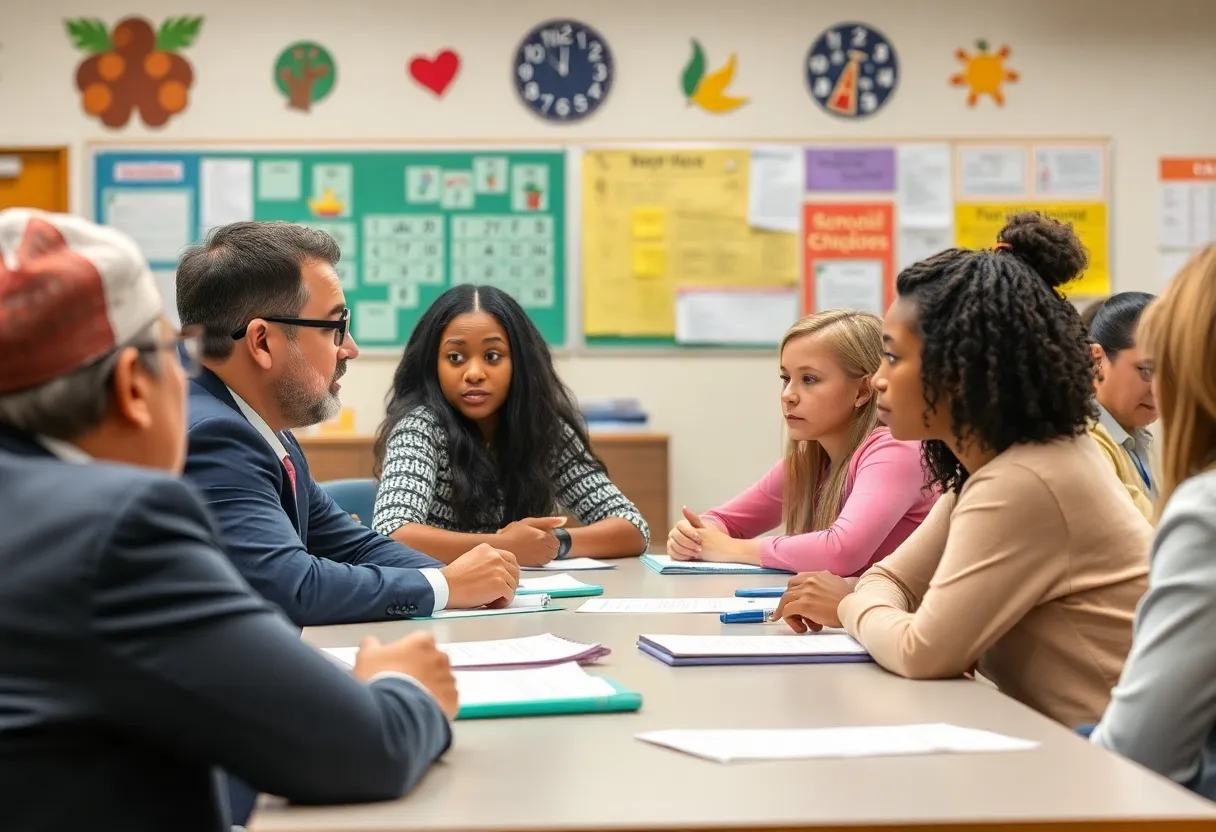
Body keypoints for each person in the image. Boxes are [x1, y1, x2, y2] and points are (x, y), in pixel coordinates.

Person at [0, 208, 457, 832]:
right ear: (134, 385)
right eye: (175, 351)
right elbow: (361, 747)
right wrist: (403, 683)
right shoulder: (116, 525)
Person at [773, 212, 1151, 728]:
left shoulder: (1028, 478)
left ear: (963, 369)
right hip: (1061, 744)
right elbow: (889, 579)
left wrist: (847, 608)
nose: (878, 381)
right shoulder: (995, 467)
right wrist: (873, 602)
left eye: (893, 358)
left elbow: (922, 651)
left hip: (1119, 771)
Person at [176, 223, 520, 628]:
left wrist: (474, 576)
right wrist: (443, 586)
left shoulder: (257, 424)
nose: (350, 348)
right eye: (334, 327)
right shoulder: (214, 436)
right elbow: (293, 586)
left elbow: (351, 545)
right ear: (263, 342)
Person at [371, 284, 648, 565]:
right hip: (447, 602)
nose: (475, 373)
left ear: (520, 363)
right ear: (433, 365)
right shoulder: (420, 428)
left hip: (528, 600)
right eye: (455, 358)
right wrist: (506, 546)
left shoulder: (543, 429)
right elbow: (391, 534)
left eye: (492, 356)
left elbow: (632, 527)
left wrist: (553, 544)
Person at [666, 309, 936, 575]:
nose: (788, 395)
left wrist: (729, 549)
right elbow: (722, 522)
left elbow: (841, 552)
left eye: (809, 379)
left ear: (863, 390)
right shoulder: (810, 461)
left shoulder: (896, 449)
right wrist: (692, 537)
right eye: (786, 378)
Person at [1089, 246, 1216, 801]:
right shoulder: (1093, 443)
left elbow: (1138, 754)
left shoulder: (1205, 510)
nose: (1155, 387)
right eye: (1144, 370)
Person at [1086, 292, 1157, 518]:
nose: (1158, 389)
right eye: (1146, 370)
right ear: (1098, 360)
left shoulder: (1141, 437)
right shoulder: (1086, 443)